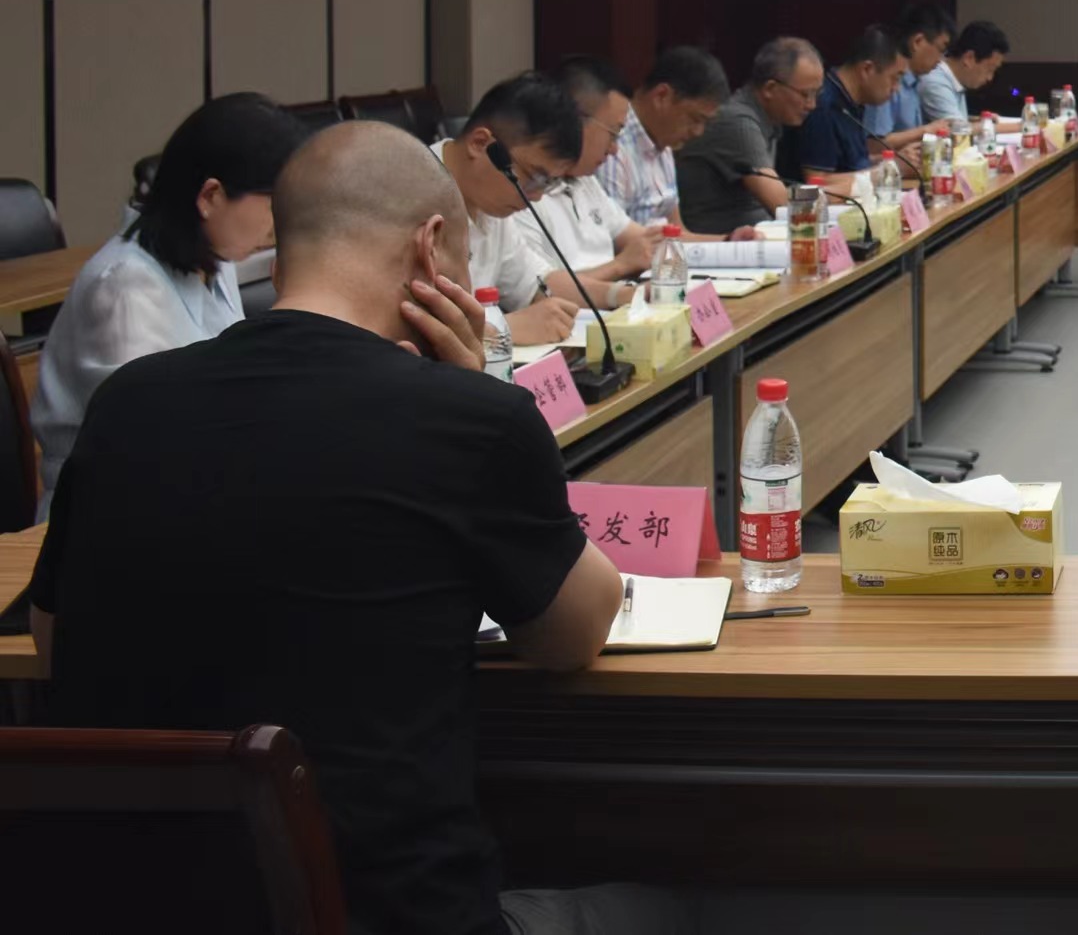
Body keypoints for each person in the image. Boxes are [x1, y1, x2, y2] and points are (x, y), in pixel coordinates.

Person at [27, 122, 661, 935]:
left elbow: (52, 637)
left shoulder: (127, 402)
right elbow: (575, 633)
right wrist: (477, 393)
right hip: (396, 911)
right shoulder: (472, 420)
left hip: (127, 905)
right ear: (431, 247)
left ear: (281, 252)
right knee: (673, 906)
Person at [31, 93, 308, 520]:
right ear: (210, 196)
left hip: (192, 494)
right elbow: (154, 444)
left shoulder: (215, 259)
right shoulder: (125, 290)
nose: (282, 221)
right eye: (274, 204)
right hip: (106, 517)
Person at [436, 74, 584, 347]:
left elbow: (533, 287)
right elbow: (401, 334)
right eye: (534, 178)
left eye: (547, 183)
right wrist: (503, 330)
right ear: (480, 144)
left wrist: (621, 295)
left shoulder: (490, 204)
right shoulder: (407, 194)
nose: (536, 197)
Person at [510, 57, 661, 310]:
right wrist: (620, 266)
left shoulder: (586, 180)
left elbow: (642, 240)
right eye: (613, 134)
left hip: (617, 308)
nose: (615, 149)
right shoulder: (520, 191)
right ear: (573, 120)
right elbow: (538, 289)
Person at [675, 36, 822, 235]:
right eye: (805, 94)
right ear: (770, 88)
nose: (812, 105)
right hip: (722, 243)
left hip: (752, 237)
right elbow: (785, 208)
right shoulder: (739, 122)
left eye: (816, 94)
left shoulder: (768, 120)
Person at [595, 44, 731, 231]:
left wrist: (729, 240)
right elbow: (612, 239)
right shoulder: (613, 147)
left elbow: (678, 232)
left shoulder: (663, 142)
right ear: (662, 96)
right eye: (695, 119)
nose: (698, 132)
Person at [790, 23, 907, 190]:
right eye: (895, 78)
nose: (897, 88)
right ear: (867, 69)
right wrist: (889, 170)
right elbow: (817, 182)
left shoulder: (853, 101)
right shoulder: (823, 105)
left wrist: (893, 161)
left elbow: (852, 166)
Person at [864, 3, 958, 156]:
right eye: (940, 50)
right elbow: (873, 145)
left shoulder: (915, 82)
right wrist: (925, 130)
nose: (940, 60)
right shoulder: (886, 81)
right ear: (918, 42)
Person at [917, 20, 1009, 127]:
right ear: (969, 58)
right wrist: (1020, 126)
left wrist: (978, 120)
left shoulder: (955, 79)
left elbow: (957, 121)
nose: (990, 78)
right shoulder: (935, 82)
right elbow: (958, 129)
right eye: (990, 69)